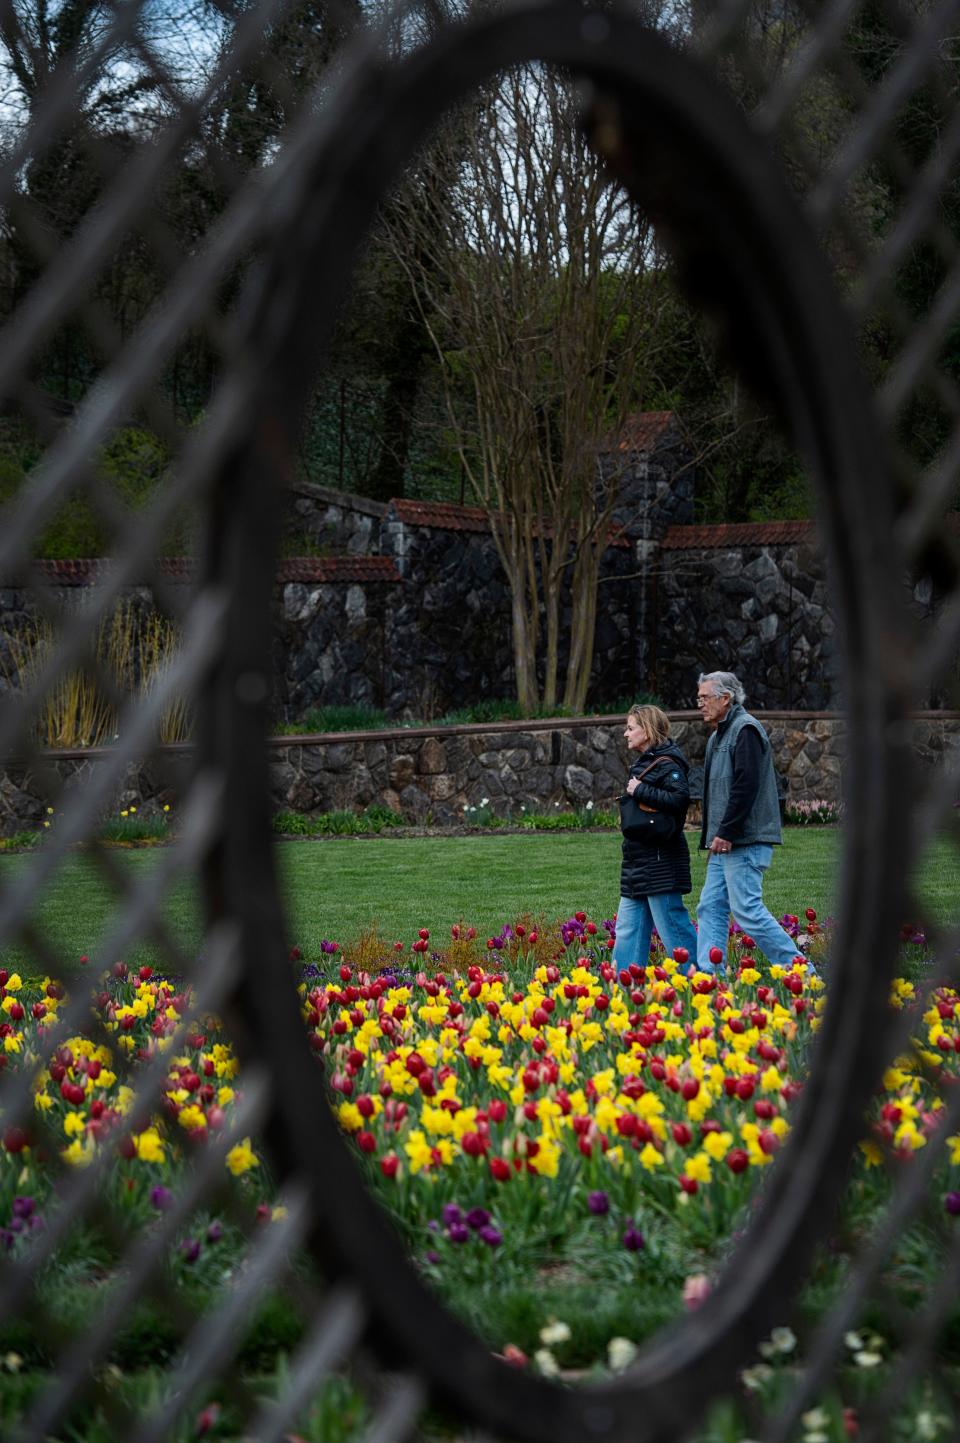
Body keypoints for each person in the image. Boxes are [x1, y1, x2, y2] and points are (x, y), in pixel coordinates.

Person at [695, 670, 804, 974]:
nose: (700, 704)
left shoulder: (745, 730)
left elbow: (746, 785)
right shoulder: (719, 736)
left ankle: (801, 972)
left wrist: (726, 831)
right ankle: (710, 979)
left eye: (705, 698)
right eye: (699, 698)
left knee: (747, 910)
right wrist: (716, 838)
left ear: (725, 698)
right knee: (711, 907)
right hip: (724, 844)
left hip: (743, 841)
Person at [614, 703, 699, 973]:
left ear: (647, 730)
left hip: (661, 860)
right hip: (638, 861)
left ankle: (699, 981)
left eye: (630, 728)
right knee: (628, 927)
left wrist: (640, 790)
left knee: (672, 925)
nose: (626, 734)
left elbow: (679, 799)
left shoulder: (669, 763)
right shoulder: (645, 763)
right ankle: (622, 987)